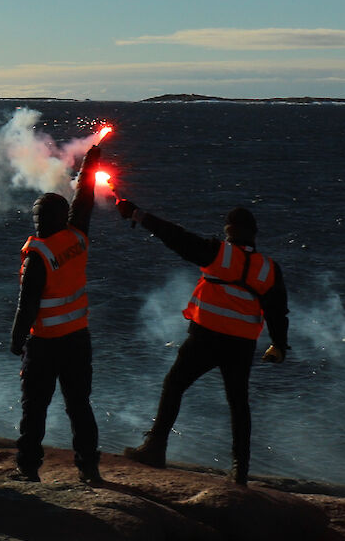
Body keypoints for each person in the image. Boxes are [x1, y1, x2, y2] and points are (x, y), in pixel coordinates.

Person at [116, 201, 289, 485]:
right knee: (238, 404)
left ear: (229, 231)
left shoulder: (217, 253)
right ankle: (240, 471)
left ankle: (155, 448)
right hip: (242, 346)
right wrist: (279, 345)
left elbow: (174, 235)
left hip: (206, 339)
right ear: (253, 234)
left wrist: (139, 214)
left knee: (174, 385)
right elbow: (277, 310)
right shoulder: (269, 269)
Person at [9, 145, 102, 483]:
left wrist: (16, 340)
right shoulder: (77, 236)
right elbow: (84, 200)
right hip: (78, 338)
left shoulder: (38, 255)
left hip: (45, 343)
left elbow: (27, 305)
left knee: (34, 408)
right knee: (79, 405)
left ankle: (28, 467)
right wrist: (91, 165)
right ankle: (89, 468)